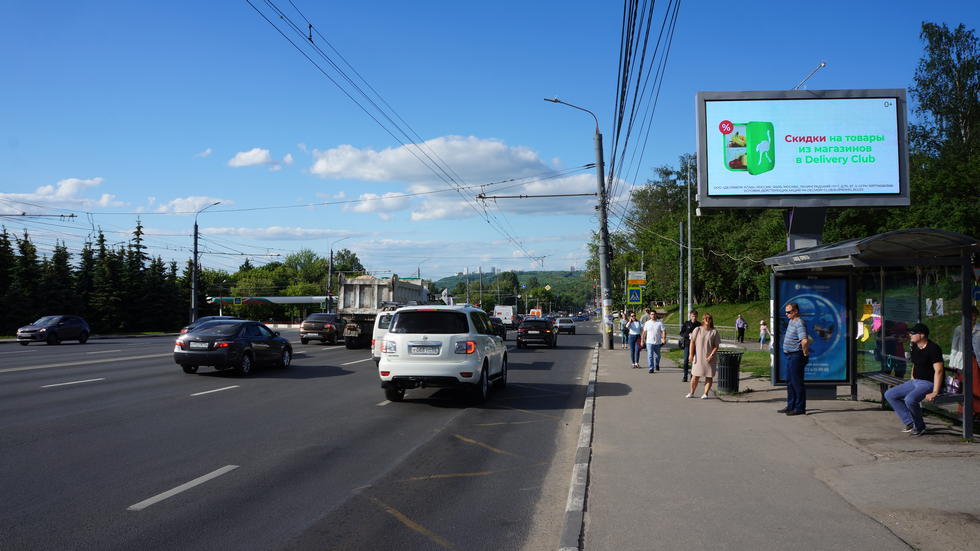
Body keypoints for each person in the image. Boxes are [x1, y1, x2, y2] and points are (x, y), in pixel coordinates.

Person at [884, 323, 944, 436]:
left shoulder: (933, 348)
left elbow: (939, 371)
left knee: (910, 399)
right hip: (915, 381)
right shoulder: (915, 347)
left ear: (922, 335)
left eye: (913, 333)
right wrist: (912, 377)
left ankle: (920, 427)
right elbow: (915, 364)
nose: (910, 335)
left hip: (928, 383)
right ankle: (910, 422)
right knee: (889, 394)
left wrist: (935, 391)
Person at [780, 302, 810, 416]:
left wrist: (805, 353)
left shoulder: (799, 323)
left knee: (797, 382)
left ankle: (800, 408)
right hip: (790, 356)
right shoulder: (791, 321)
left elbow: (805, 340)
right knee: (790, 381)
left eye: (789, 312)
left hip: (796, 356)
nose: (786, 314)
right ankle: (790, 405)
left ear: (796, 311)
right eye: (786, 312)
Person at [687, 313, 720, 399]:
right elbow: (692, 342)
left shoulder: (714, 332)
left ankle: (705, 393)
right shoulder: (697, 329)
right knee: (695, 376)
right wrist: (691, 355)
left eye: (709, 318)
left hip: (709, 358)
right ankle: (691, 392)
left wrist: (711, 355)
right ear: (703, 320)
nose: (707, 320)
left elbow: (716, 346)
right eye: (705, 318)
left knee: (708, 376)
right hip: (698, 357)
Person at [679, 310, 700, 382]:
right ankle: (685, 376)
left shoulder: (699, 324)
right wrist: (688, 335)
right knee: (686, 360)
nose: (694, 317)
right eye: (692, 316)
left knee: (694, 361)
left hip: (697, 345)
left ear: (697, 316)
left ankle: (692, 375)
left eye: (695, 316)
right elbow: (681, 333)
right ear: (690, 316)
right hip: (687, 344)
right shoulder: (686, 323)